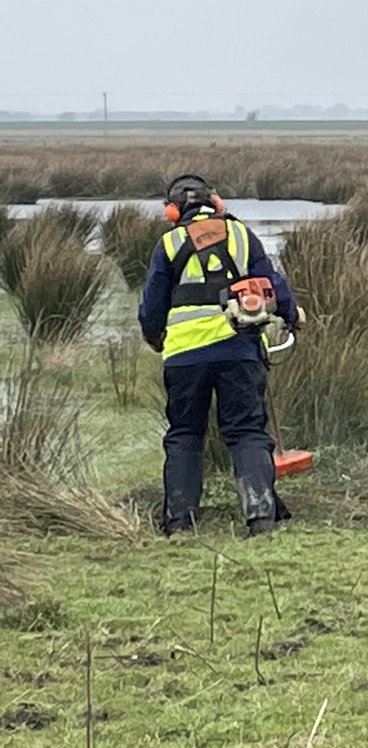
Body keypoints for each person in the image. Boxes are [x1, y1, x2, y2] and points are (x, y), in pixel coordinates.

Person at [138, 174, 305, 537]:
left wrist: (155, 338)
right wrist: (292, 314)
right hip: (239, 351)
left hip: (183, 358)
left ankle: (179, 522)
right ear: (216, 203)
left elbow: (151, 308)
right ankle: (260, 517)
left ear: (171, 211)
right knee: (246, 432)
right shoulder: (242, 235)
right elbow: (271, 283)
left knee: (184, 434)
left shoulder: (168, 244)